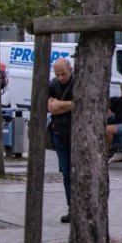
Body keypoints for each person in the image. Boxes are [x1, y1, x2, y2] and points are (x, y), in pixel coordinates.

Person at [48, 57, 74, 223]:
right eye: (58, 74)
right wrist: (67, 105)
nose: (61, 78)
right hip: (59, 132)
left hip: (75, 132)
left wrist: (61, 105)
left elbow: (82, 102)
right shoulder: (52, 85)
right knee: (66, 173)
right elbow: (50, 107)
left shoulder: (77, 82)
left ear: (70, 70)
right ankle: (71, 206)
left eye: (63, 74)